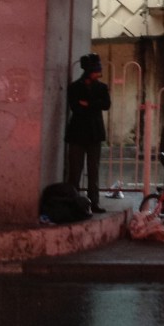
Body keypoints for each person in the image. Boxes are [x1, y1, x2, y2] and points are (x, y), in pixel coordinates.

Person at [65, 53, 111, 214]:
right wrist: (93, 105)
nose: (98, 73)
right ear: (89, 71)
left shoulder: (101, 87)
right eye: (96, 70)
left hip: (93, 134)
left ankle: (94, 202)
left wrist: (88, 104)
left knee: (93, 171)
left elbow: (106, 104)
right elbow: (76, 107)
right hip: (78, 133)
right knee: (74, 171)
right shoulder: (75, 87)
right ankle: (73, 202)